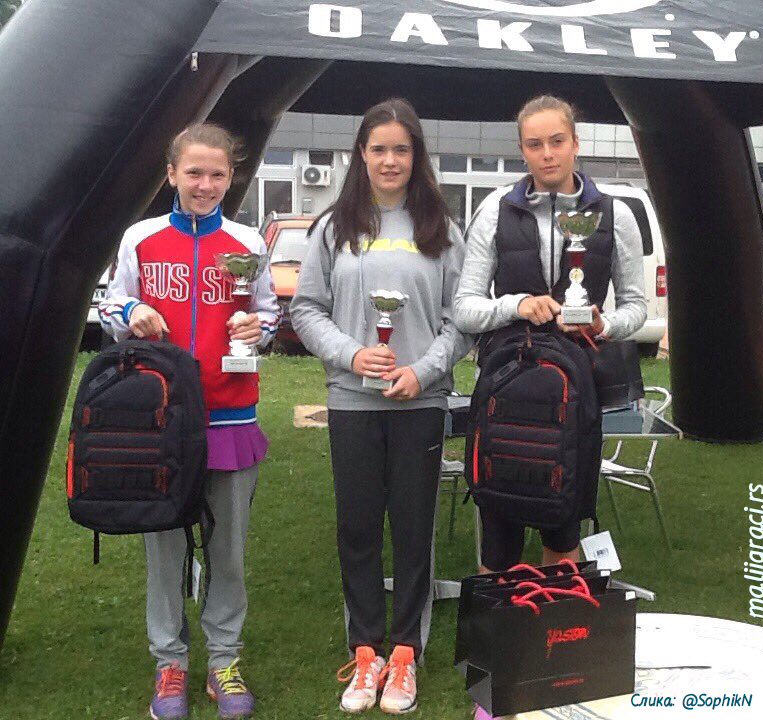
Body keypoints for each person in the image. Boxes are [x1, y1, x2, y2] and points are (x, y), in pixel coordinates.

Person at [290, 98, 471, 715]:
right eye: (379, 149)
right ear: (360, 155)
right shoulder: (332, 227)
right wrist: (349, 355)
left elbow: (460, 322)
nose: (390, 160)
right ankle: (365, 655)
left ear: (416, 156)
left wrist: (422, 372)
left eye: (401, 149)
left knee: (414, 530)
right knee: (358, 529)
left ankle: (404, 657)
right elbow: (304, 309)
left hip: (420, 405)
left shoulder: (443, 230)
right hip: (353, 403)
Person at [99, 123, 280, 720]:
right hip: (161, 416)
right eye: (194, 173)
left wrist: (258, 329)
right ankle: (169, 661)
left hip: (231, 412)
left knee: (227, 550)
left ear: (232, 177)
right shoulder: (141, 239)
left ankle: (224, 658)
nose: (206, 185)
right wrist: (132, 309)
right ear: (171, 173)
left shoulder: (248, 240)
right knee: (165, 548)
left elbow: (268, 316)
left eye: (218, 174)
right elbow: (108, 304)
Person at [454, 95, 647, 574]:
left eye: (557, 141)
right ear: (523, 150)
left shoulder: (614, 214)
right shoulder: (495, 209)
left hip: (575, 390)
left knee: (562, 533)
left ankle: (554, 639)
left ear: (575, 143)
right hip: (507, 386)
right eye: (535, 144)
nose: (548, 154)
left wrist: (605, 325)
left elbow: (637, 307)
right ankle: (498, 641)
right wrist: (515, 305)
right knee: (499, 538)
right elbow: (464, 308)